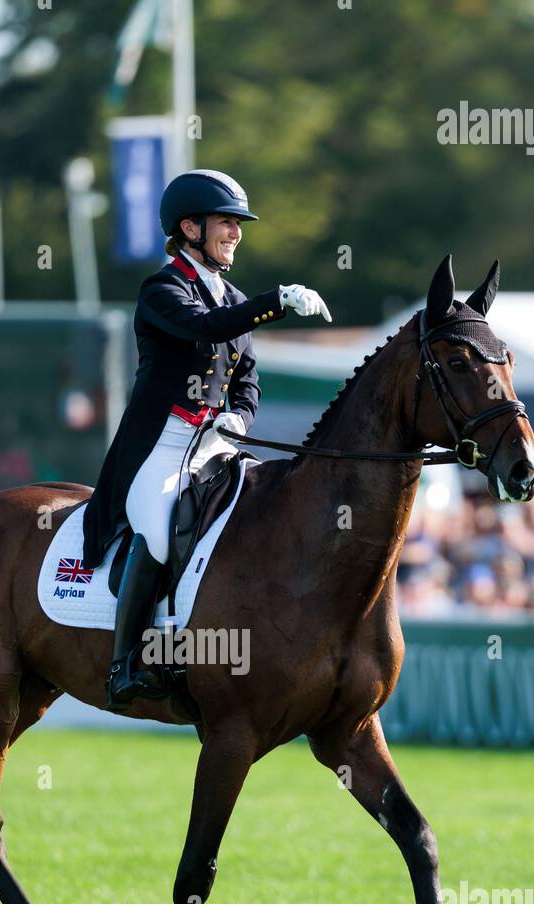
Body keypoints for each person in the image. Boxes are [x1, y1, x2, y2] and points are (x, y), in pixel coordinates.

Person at [80, 168, 331, 711]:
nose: (237, 234)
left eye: (239, 225)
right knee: (157, 528)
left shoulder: (232, 295)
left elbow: (248, 377)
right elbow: (205, 328)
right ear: (190, 228)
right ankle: (125, 664)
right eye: (227, 223)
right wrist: (277, 301)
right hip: (163, 444)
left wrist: (238, 418)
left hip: (215, 442)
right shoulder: (162, 289)